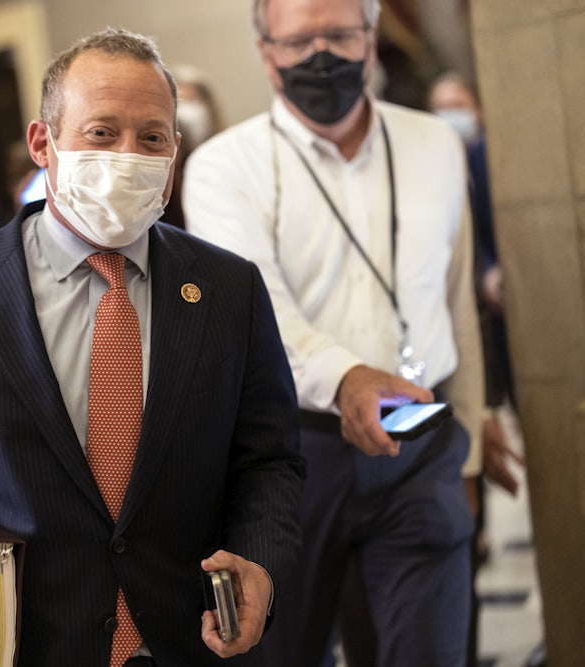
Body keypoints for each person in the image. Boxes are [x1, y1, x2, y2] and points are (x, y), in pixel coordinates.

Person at [0, 27, 305, 666]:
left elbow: (270, 459)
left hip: (196, 642)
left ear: (174, 151)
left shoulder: (229, 288)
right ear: (43, 143)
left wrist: (261, 561)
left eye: (152, 137)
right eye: (101, 132)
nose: (129, 154)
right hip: (32, 646)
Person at [184, 1, 484, 665]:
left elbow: (456, 298)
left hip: (420, 445)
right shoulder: (222, 167)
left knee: (433, 650)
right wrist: (347, 378)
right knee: (285, 649)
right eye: (298, 41)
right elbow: (260, 313)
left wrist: (466, 440)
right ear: (267, 53)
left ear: (372, 41)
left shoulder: (435, 143)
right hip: (291, 455)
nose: (321, 54)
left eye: (341, 34)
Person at [428, 71, 526, 667]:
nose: (450, 119)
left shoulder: (490, 157)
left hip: (483, 333)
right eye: (439, 108)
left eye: (458, 107)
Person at [160, 64, 225, 229]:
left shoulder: (226, 157)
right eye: (181, 101)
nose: (188, 110)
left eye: (193, 100)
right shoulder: (167, 162)